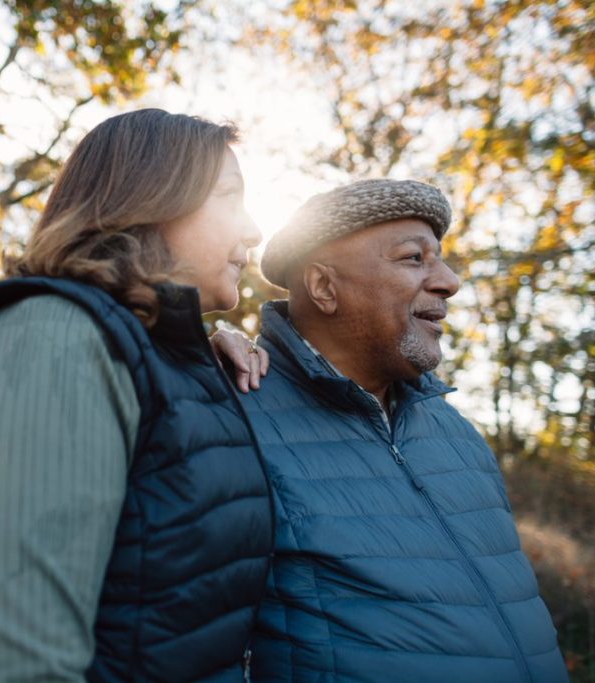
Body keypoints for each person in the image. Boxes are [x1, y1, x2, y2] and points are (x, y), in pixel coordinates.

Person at [0, 109, 276, 682]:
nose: (252, 230)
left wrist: (205, 354)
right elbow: (11, 665)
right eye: (230, 196)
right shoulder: (53, 341)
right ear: (152, 199)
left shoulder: (164, 358)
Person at [240, 179, 569, 682]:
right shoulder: (233, 419)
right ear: (325, 287)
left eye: (440, 258)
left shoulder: (456, 433)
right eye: (414, 258)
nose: (450, 281)